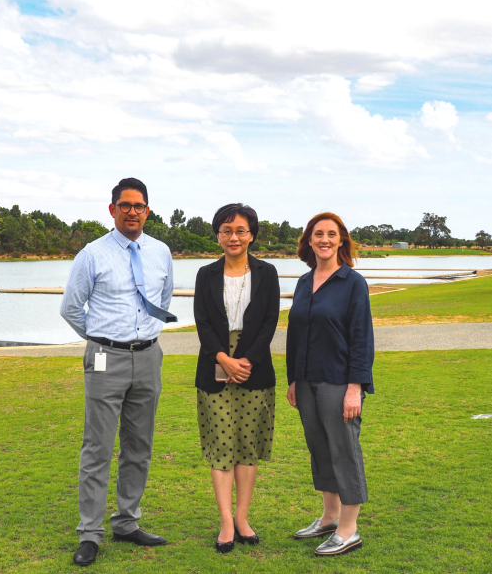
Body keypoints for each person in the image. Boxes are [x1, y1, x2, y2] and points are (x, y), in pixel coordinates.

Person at [60, 177, 177, 567]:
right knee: (98, 448)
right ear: (112, 210)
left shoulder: (160, 252)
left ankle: (127, 522)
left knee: (139, 446)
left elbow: (162, 298)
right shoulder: (92, 254)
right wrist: (100, 339)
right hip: (105, 358)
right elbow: (71, 308)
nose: (132, 212)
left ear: (147, 211)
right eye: (124, 205)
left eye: (138, 206)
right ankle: (90, 533)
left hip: (148, 357)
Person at [285, 212, 374, 557]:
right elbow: (296, 335)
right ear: (309, 240)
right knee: (320, 449)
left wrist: (355, 387)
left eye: (331, 234)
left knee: (343, 450)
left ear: (341, 240)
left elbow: (361, 338)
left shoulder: (353, 283)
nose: (324, 239)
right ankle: (329, 517)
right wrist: (294, 379)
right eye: (318, 234)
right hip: (306, 381)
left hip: (339, 382)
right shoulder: (304, 282)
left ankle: (348, 529)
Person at [193, 203, 280, 553]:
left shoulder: (267, 273)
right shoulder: (205, 274)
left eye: (240, 230)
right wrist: (223, 358)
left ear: (251, 235)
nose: (234, 237)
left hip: (254, 367)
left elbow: (270, 321)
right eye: (226, 230)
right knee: (221, 444)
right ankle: (226, 522)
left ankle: (242, 518)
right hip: (214, 364)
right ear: (218, 235)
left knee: (247, 444)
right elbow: (202, 322)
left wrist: (246, 360)